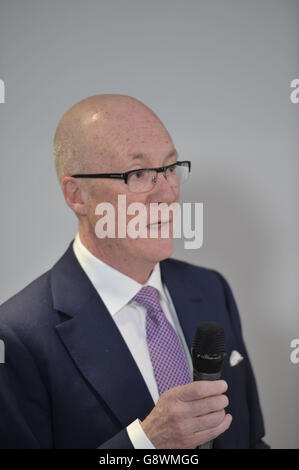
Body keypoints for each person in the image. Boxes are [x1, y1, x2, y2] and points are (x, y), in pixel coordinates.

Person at [0, 94, 268, 449]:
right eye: (138, 174)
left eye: (170, 168)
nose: (167, 194)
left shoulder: (210, 288)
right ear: (77, 195)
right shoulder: (18, 336)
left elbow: (250, 441)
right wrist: (145, 444)